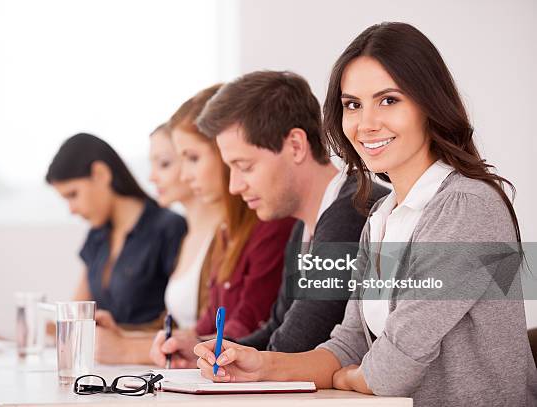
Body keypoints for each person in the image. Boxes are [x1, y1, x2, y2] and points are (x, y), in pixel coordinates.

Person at [193, 22, 537, 406]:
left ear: (428, 104)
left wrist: (350, 376)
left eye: (388, 100)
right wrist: (261, 366)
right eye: (353, 105)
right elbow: (350, 342)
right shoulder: (379, 217)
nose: (366, 123)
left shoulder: (468, 206)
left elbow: (389, 371)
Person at [149, 70, 389, 369]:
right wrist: (203, 348)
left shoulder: (352, 211)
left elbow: (296, 344)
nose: (234, 186)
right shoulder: (303, 224)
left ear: (296, 146)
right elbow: (276, 329)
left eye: (244, 166)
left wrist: (224, 355)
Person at [94, 123, 221, 364]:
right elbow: (182, 328)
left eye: (164, 164)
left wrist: (126, 349)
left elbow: (220, 334)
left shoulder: (210, 234)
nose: (152, 177)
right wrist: (124, 334)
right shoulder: (188, 235)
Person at [46, 133, 187, 327]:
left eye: (73, 194)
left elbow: (179, 322)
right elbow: (75, 316)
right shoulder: (97, 235)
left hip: (147, 356)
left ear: (100, 174)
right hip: (100, 356)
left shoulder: (169, 228)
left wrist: (120, 341)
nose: (72, 209)